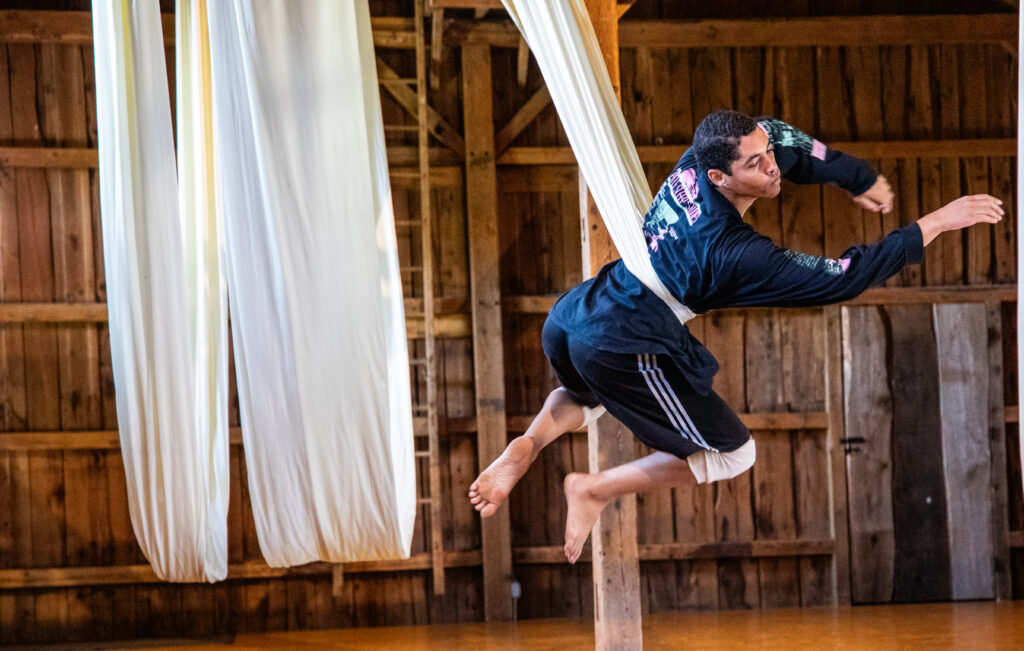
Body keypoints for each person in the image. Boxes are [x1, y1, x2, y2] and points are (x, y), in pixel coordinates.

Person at [468, 109, 1004, 564]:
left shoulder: (692, 164)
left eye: (765, 152)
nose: (770, 165)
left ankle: (529, 444)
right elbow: (844, 276)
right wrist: (931, 225)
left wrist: (853, 176)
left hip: (574, 313)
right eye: (754, 163)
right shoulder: (735, 253)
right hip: (624, 338)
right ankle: (594, 487)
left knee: (585, 396)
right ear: (721, 178)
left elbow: (782, 138)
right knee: (732, 455)